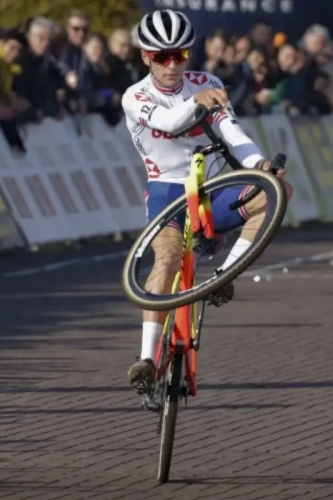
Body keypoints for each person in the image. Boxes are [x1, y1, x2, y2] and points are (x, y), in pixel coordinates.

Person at [122, 9, 293, 395]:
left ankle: (224, 276)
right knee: (166, 261)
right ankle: (147, 359)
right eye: (162, 56)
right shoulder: (135, 96)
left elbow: (232, 134)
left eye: (179, 55)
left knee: (276, 193)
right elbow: (170, 123)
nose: (171, 64)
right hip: (167, 190)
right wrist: (198, 103)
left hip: (212, 186)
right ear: (146, 57)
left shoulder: (207, 82)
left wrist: (259, 164)